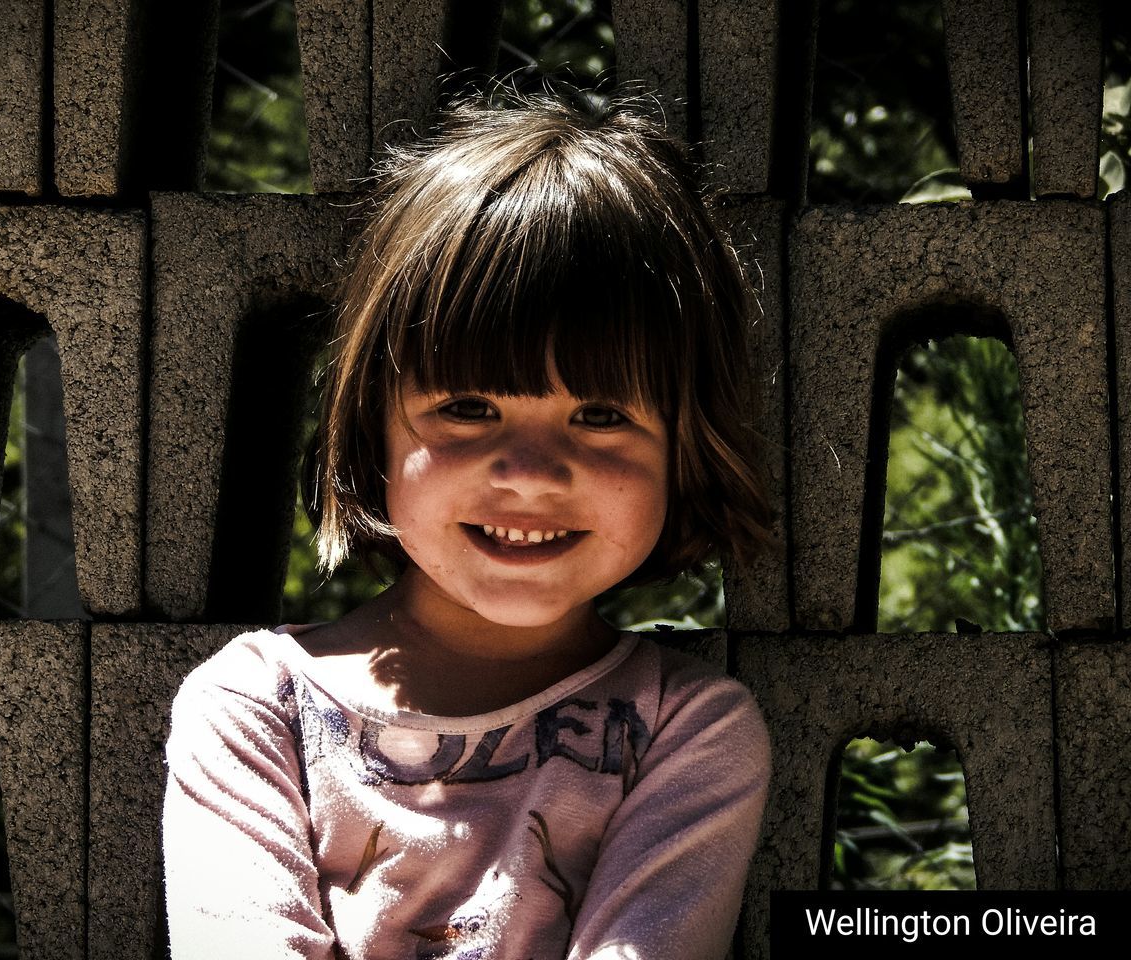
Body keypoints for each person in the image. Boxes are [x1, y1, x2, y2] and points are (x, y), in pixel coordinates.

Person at [162, 86, 773, 960]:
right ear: (370, 421)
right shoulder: (255, 708)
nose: (528, 474)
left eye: (600, 414)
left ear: (687, 447)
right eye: (469, 407)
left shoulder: (690, 732)